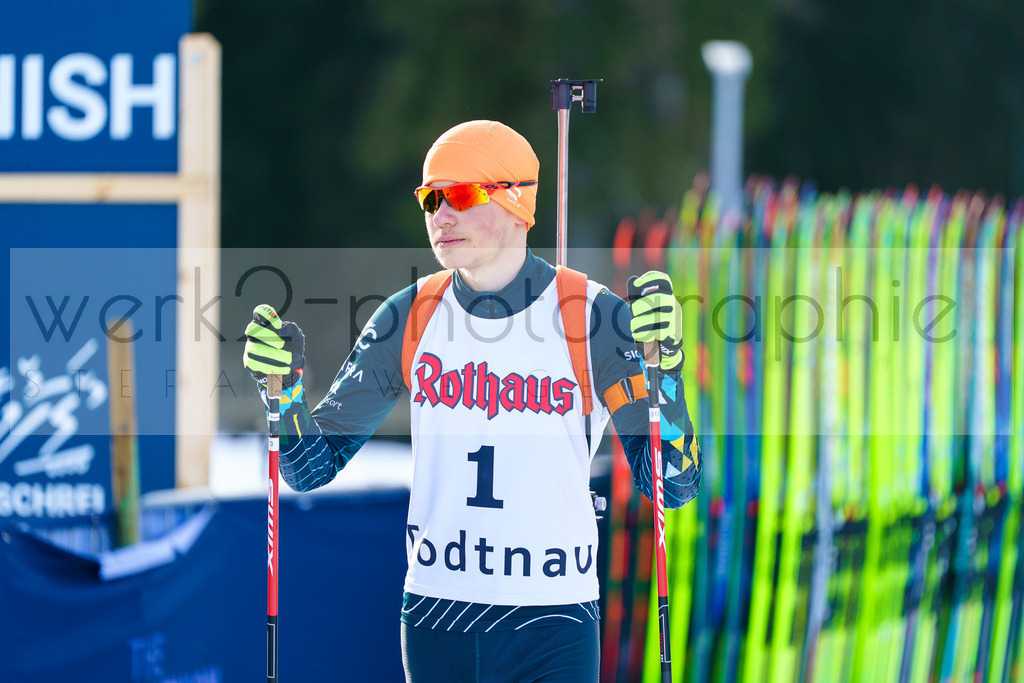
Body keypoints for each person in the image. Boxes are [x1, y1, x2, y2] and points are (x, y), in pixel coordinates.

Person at [243, 120, 700, 682]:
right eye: (430, 198)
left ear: (515, 203)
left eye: (459, 195)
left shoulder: (591, 316)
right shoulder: (408, 316)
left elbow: (672, 485)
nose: (441, 215)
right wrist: (285, 389)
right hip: (438, 616)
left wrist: (668, 370)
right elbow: (310, 468)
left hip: (553, 619)